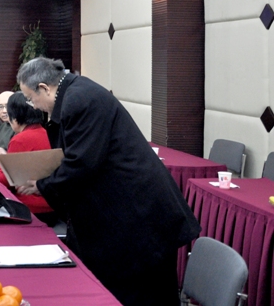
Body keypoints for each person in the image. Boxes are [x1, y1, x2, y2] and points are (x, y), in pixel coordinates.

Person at [16, 57, 200, 306]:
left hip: (140, 214)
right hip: (127, 212)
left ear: (44, 88)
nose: (33, 106)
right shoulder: (76, 92)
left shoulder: (78, 100)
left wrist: (43, 185)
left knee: (145, 294)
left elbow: (82, 163)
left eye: (31, 98)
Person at [0, 92, 57, 225]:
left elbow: (6, 182)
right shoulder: (47, 133)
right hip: (52, 207)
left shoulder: (20, 139)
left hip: (29, 209)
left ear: (15, 119)